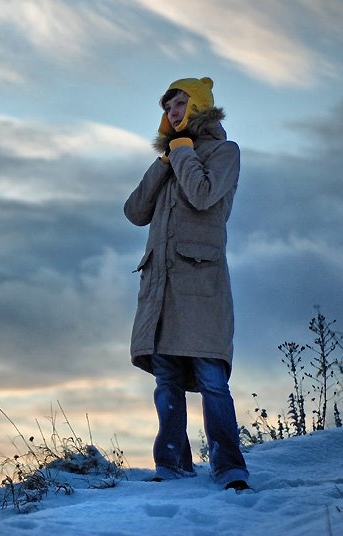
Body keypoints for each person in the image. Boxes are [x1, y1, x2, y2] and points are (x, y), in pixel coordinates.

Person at [124, 77, 250, 490]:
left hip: (202, 289)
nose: (173, 112)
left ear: (199, 106)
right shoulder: (170, 159)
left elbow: (203, 194)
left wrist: (181, 155)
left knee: (213, 380)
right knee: (167, 383)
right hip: (160, 291)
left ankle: (230, 468)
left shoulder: (223, 152)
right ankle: (172, 466)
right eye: (169, 106)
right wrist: (165, 162)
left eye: (181, 103)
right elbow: (134, 211)